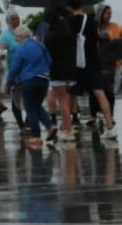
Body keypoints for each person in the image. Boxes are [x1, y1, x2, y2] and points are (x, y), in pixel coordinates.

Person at [66, 0, 116, 138]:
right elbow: (98, 39)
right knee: (100, 94)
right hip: (93, 62)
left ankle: (71, 125)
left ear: (69, 7)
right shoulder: (91, 20)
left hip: (77, 64)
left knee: (71, 94)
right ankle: (110, 127)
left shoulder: (69, 22)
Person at [4, 25, 52, 148]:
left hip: (29, 80)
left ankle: (36, 136)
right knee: (36, 105)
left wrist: (8, 82)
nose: (17, 41)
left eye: (17, 38)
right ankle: (50, 126)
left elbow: (15, 67)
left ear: (22, 36)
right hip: (44, 80)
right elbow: (50, 61)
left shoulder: (22, 49)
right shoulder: (41, 45)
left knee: (30, 108)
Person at [42, 9, 76, 144]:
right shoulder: (69, 34)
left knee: (62, 101)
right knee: (66, 99)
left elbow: (47, 55)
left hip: (56, 71)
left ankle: (67, 130)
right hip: (70, 70)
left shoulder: (50, 37)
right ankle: (69, 127)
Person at [0, 11, 27, 132]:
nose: (16, 21)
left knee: (30, 98)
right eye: (13, 19)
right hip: (14, 71)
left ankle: (28, 122)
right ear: (8, 21)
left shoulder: (24, 32)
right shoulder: (5, 36)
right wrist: (2, 53)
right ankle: (21, 125)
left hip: (28, 70)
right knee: (16, 100)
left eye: (17, 18)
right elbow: (0, 53)